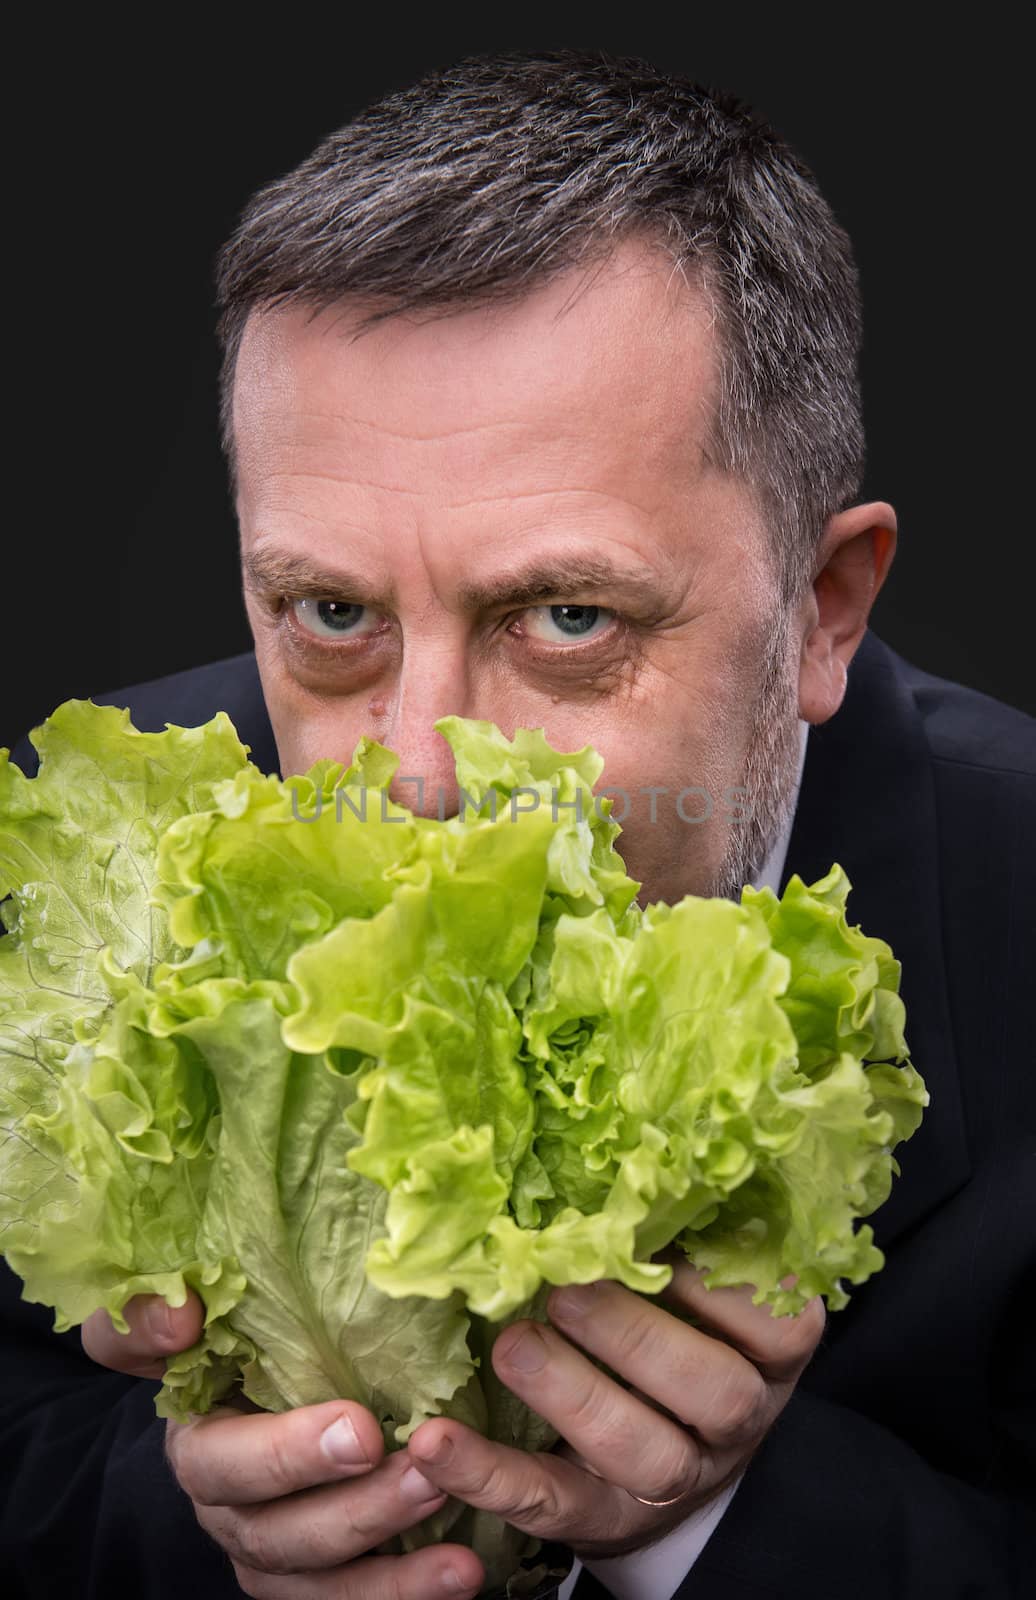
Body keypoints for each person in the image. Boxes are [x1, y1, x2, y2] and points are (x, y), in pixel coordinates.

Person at [1, 46, 1033, 1600]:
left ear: (823, 611)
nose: (420, 773)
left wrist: (714, 1517)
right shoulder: (78, 863)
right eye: (330, 612)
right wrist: (199, 1513)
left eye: (567, 618)